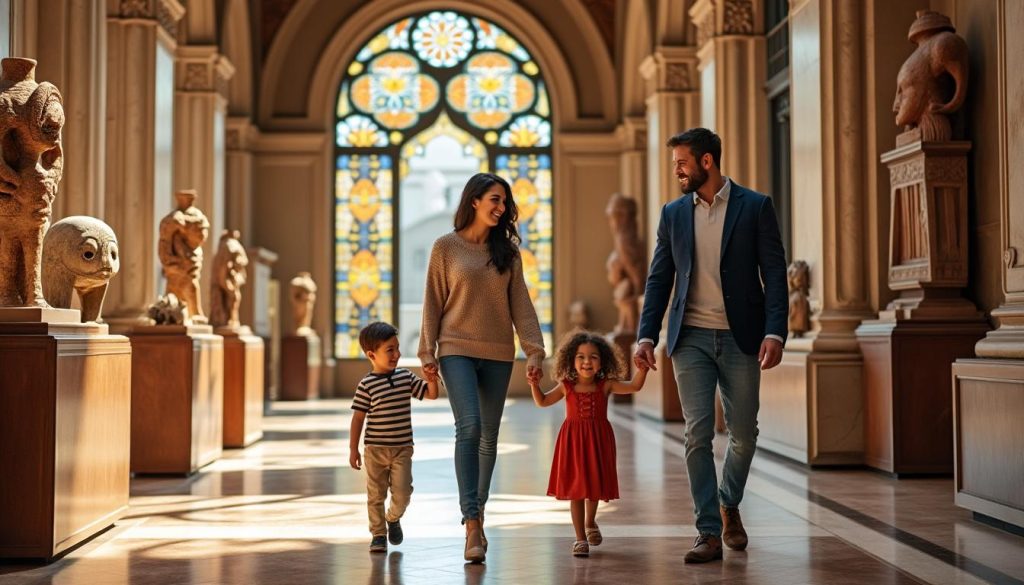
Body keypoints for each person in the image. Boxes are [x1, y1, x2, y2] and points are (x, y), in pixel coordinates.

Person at [634, 128, 788, 563]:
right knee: (697, 434)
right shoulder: (673, 213)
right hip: (690, 338)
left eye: (682, 162)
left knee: (743, 435)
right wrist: (647, 334)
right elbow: (660, 277)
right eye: (674, 163)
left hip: (743, 337)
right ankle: (707, 531)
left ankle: (727, 501)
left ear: (706, 162)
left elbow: (774, 274)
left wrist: (775, 331)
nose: (677, 170)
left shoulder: (755, 207)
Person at [418, 172, 546, 563]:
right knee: (469, 426)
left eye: (504, 202)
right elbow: (433, 302)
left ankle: (479, 512)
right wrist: (427, 352)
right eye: (494, 199)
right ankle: (471, 521)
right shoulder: (446, 248)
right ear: (473, 200)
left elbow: (521, 304)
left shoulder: (506, 252)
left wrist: (535, 349)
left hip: (498, 353)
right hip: (455, 349)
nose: (500, 207)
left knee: (489, 436)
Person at [530, 332, 648, 558]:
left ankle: (591, 521)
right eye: (580, 357)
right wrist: (534, 385)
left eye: (593, 357)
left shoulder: (606, 385)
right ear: (571, 361)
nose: (586, 362)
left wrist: (641, 369)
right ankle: (580, 538)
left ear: (602, 360)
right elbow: (543, 401)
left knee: (593, 487)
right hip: (573, 442)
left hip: (598, 441)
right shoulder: (566, 386)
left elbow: (634, 386)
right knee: (576, 490)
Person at [349, 321, 440, 553]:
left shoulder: (405, 378)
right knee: (375, 495)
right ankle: (378, 534)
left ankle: (393, 517)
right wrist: (353, 449)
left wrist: (431, 376)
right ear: (371, 354)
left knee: (403, 493)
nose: (397, 354)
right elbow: (358, 419)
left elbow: (431, 394)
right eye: (390, 350)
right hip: (375, 451)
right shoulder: (366, 385)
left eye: (397, 348)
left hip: (402, 448)